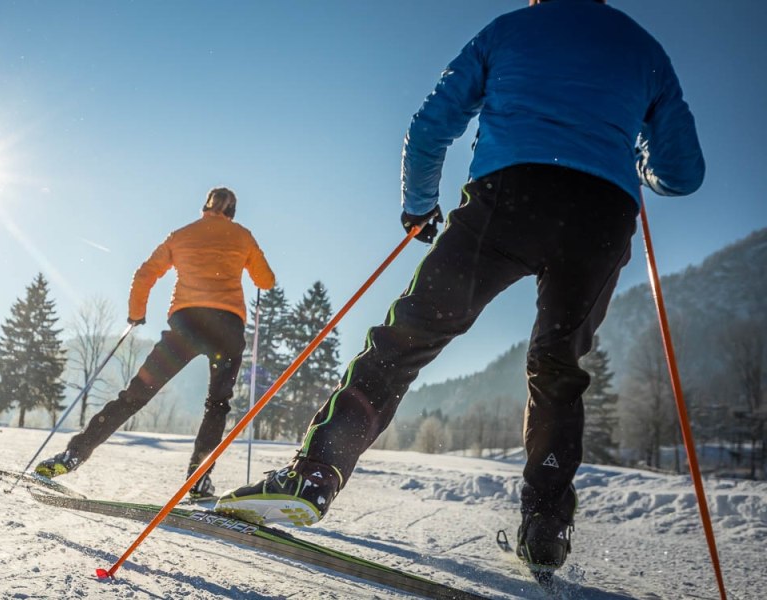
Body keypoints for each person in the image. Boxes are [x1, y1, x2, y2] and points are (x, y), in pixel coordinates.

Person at [215, 0, 703, 574]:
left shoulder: (511, 29)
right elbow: (682, 173)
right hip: (603, 214)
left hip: (509, 196)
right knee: (558, 367)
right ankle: (546, 524)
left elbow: (430, 127)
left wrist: (419, 206)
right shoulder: (643, 48)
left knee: (405, 340)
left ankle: (315, 475)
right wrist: (637, 158)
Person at [36, 187, 276, 498]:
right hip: (227, 330)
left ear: (206, 207)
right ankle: (198, 480)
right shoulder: (242, 236)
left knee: (134, 396)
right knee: (217, 405)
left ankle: (73, 455)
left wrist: (137, 313)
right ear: (232, 212)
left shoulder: (182, 235)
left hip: (187, 325)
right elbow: (266, 280)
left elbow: (145, 274)